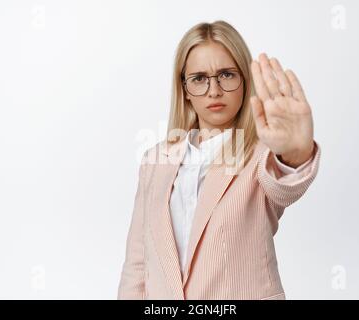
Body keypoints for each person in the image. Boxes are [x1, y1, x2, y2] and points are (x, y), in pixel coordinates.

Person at [118, 20, 321, 300]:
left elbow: (284, 185)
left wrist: (295, 153)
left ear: (245, 81)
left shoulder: (262, 154)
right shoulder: (155, 161)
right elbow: (138, 265)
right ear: (185, 89)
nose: (214, 90)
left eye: (226, 74)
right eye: (199, 78)